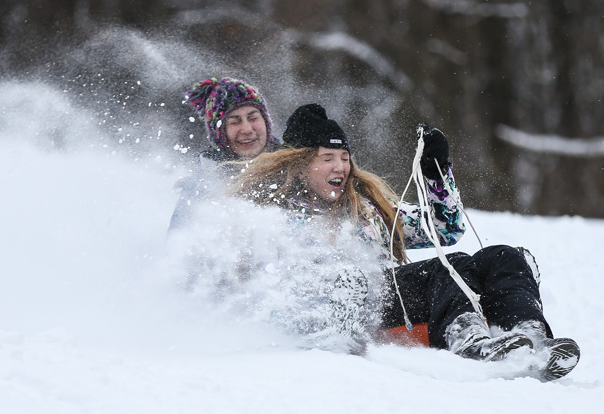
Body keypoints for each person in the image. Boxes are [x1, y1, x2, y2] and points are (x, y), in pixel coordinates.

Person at [232, 103, 580, 381]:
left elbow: (444, 230)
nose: (341, 166)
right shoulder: (270, 217)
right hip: (360, 312)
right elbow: (264, 286)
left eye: (344, 157)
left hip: (400, 297)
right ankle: (469, 342)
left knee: (502, 257)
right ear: (298, 165)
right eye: (327, 159)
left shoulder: (367, 207)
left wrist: (435, 172)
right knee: (450, 266)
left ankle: (531, 338)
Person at [169, 77, 280, 231]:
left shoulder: (297, 166)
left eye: (253, 118)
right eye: (235, 122)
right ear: (219, 134)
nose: (247, 129)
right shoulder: (202, 188)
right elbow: (178, 247)